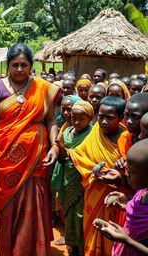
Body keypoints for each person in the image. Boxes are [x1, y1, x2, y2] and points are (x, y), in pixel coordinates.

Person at [0, 43, 60, 255]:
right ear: (8, 65)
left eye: (24, 65)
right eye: (15, 65)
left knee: (36, 207)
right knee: (7, 210)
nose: (19, 69)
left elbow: (51, 120)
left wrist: (54, 146)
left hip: (37, 159)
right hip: (4, 160)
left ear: (31, 66)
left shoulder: (42, 88)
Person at [69, 96, 126, 256]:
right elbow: (80, 153)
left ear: (121, 117)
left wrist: (120, 172)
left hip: (115, 198)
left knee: (111, 237)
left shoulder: (126, 138)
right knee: (93, 230)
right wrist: (92, 170)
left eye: (110, 118)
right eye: (101, 116)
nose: (104, 121)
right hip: (94, 191)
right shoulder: (95, 131)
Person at [52, 101, 94, 256]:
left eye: (81, 119)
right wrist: (62, 148)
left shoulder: (92, 134)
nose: (76, 122)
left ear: (89, 118)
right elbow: (62, 160)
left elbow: (92, 159)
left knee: (81, 216)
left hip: (83, 182)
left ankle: (83, 248)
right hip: (66, 180)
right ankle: (72, 247)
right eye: (73, 118)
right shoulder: (67, 131)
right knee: (69, 215)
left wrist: (71, 154)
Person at [94, 139, 148, 256]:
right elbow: (140, 210)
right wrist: (127, 203)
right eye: (126, 168)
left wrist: (127, 240)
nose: (126, 174)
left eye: (132, 172)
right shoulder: (143, 190)